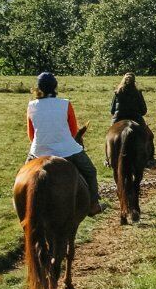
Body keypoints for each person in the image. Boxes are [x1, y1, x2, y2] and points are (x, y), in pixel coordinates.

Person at [26, 72, 105, 215]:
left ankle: (22, 207)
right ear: (55, 87)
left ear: (38, 88)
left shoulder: (31, 106)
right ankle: (93, 204)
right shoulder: (65, 104)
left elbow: (31, 135)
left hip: (39, 151)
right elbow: (74, 131)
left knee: (23, 176)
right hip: (67, 150)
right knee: (91, 171)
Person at [109, 72, 155, 164]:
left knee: (109, 137)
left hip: (118, 119)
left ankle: (108, 158)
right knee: (149, 136)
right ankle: (149, 159)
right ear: (134, 82)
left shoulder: (117, 92)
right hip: (136, 119)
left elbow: (112, 110)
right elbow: (143, 111)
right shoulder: (138, 92)